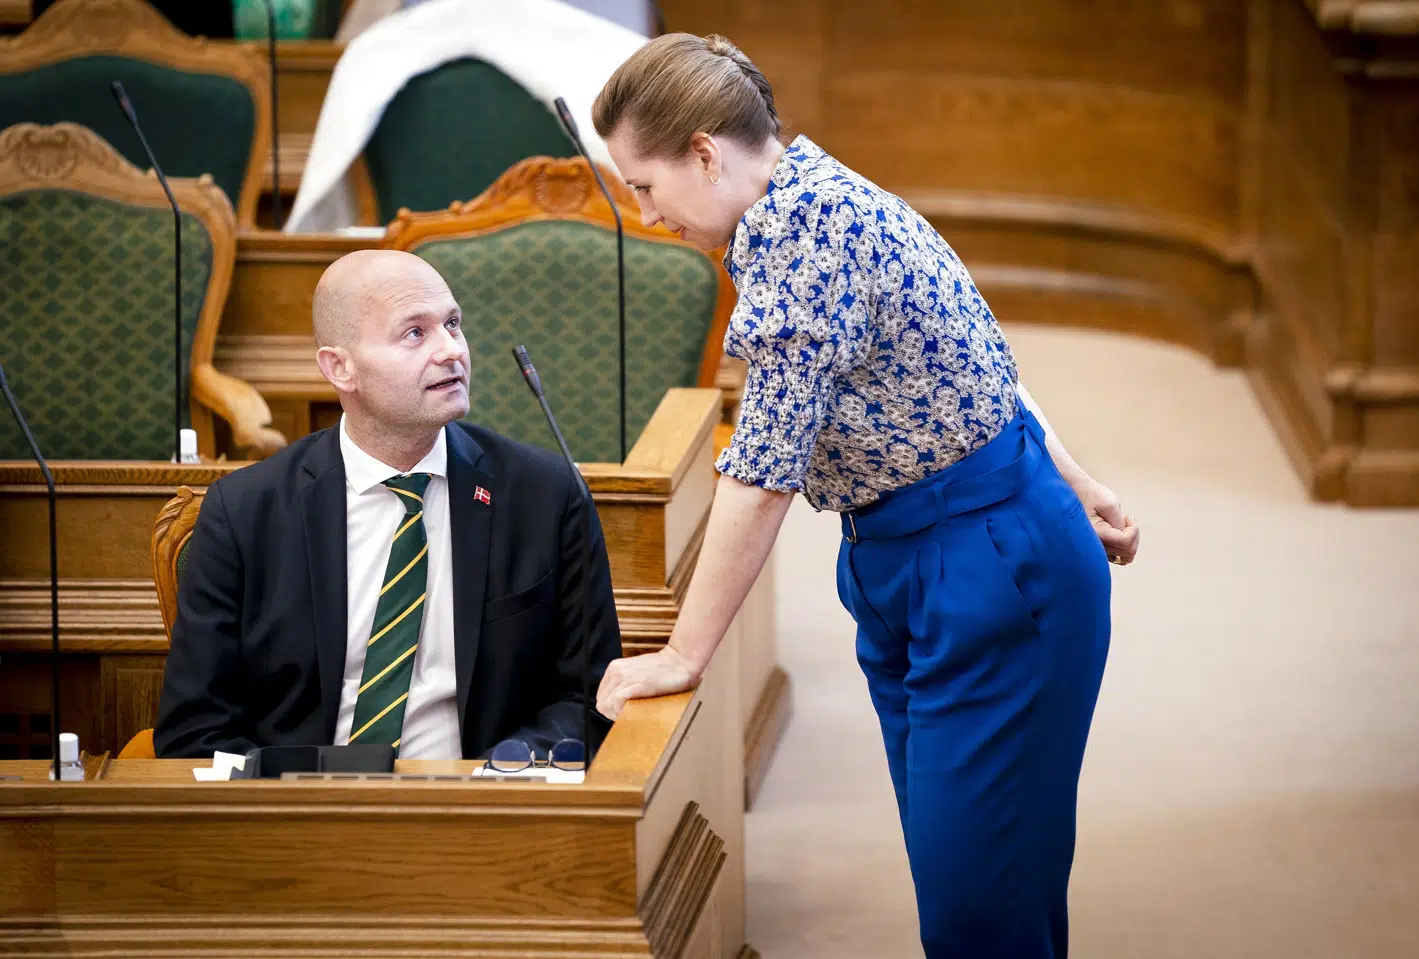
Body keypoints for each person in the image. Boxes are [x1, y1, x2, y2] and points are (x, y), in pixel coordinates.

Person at [588, 33, 1140, 959]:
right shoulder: (804, 192)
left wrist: (684, 652)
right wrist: (1074, 477)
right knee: (982, 892)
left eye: (644, 186)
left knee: (979, 913)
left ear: (704, 154)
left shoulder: (805, 235)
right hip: (918, 558)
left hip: (990, 572)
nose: (644, 214)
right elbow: (960, 353)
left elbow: (761, 474)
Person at [154, 250, 621, 762]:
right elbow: (194, 729)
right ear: (340, 368)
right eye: (415, 333)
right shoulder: (245, 512)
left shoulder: (544, 494)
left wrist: (497, 775)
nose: (452, 351)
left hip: (479, 796)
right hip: (303, 799)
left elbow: (586, 696)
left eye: (453, 324)